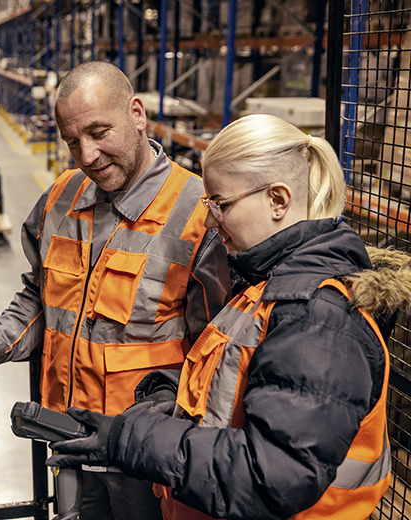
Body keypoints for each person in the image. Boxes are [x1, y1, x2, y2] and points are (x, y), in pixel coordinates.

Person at [48, 113, 411, 519]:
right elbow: (241, 384)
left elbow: (272, 475)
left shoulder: (317, 318)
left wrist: (136, 440)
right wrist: (172, 399)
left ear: (277, 200)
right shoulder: (265, 287)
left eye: (220, 204)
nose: (209, 220)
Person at [0, 61, 231, 519]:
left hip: (144, 459)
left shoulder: (199, 215)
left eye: (99, 133)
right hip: (68, 440)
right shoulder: (61, 197)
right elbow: (40, 296)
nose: (87, 155)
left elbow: (215, 358)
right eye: (72, 141)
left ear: (137, 114)